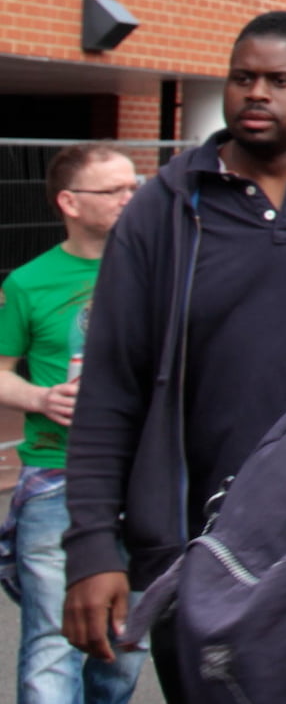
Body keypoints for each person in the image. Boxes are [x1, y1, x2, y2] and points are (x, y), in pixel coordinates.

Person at [63, 12, 286, 696]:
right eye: (243, 77)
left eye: (280, 80)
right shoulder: (166, 209)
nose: (256, 93)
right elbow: (112, 386)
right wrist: (90, 546)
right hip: (202, 555)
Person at [0, 144, 147, 704]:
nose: (128, 200)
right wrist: (41, 397)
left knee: (124, 646)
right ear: (69, 201)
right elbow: (1, 374)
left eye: (133, 188)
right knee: (54, 641)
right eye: (113, 191)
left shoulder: (158, 272)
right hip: (55, 477)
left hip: (142, 481)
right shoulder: (28, 283)